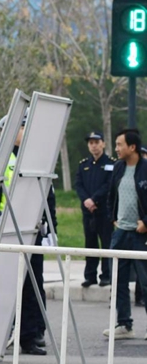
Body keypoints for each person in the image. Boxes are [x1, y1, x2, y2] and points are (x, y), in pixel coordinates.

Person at [0, 111, 55, 356]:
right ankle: (7, 330)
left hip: (33, 230)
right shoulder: (3, 159)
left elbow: (49, 195)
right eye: (21, 128)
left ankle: (32, 333)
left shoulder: (37, 158)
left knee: (34, 284)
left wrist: (51, 230)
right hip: (8, 231)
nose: (24, 133)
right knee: (6, 285)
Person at [104, 129, 147, 340]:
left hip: (141, 235)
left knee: (145, 282)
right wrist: (113, 217)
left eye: (120, 144)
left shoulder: (146, 169)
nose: (117, 148)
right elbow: (111, 194)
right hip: (120, 233)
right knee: (118, 280)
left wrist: (146, 223)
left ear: (132, 147)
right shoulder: (119, 167)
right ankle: (124, 325)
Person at [74, 131, 115, 287]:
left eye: (96, 142)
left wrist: (94, 199)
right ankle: (90, 275)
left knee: (106, 243)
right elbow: (79, 184)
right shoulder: (84, 164)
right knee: (90, 243)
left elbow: (109, 185)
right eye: (91, 143)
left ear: (103, 144)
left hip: (104, 210)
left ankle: (106, 275)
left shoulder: (111, 163)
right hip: (88, 211)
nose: (94, 146)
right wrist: (86, 200)